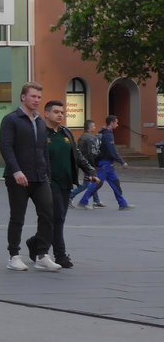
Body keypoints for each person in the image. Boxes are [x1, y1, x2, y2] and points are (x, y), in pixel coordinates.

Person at [0, 82, 58, 271]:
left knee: (48, 214)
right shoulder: (11, 120)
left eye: (39, 97)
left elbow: (43, 150)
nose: (36, 100)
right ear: (23, 97)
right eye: (33, 96)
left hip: (40, 177)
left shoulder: (41, 122)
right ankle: (14, 256)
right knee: (18, 217)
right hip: (18, 177)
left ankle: (42, 255)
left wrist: (47, 173)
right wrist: (16, 171)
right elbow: (6, 147)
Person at [43, 100, 97, 268]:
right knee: (57, 218)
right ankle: (60, 255)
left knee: (58, 218)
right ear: (46, 114)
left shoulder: (66, 133)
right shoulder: (41, 134)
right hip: (49, 182)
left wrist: (90, 171)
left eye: (62, 112)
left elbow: (77, 154)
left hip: (67, 182)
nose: (60, 114)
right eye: (56, 112)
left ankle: (35, 244)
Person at [77, 115, 134, 210]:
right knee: (97, 183)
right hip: (105, 163)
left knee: (115, 183)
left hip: (107, 164)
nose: (117, 124)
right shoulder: (108, 135)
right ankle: (83, 201)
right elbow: (112, 151)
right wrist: (122, 162)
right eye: (116, 122)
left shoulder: (104, 133)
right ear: (111, 123)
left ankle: (123, 204)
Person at [69, 120, 106, 208]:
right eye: (93, 126)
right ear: (89, 128)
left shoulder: (82, 136)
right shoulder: (90, 138)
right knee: (87, 183)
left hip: (83, 162)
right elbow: (91, 153)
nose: (95, 127)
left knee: (94, 181)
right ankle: (70, 196)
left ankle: (96, 200)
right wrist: (92, 166)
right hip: (87, 163)